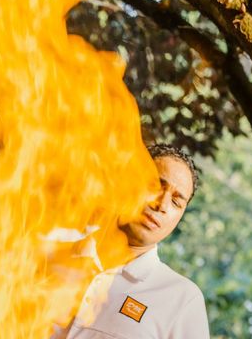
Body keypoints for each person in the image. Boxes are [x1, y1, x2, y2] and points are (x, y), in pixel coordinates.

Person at [54, 144, 210, 339]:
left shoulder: (181, 299)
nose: (161, 204)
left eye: (176, 202)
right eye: (154, 185)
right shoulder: (47, 256)